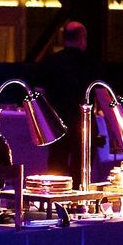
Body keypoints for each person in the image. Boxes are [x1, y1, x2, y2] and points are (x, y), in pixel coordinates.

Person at [33, 20, 102, 183]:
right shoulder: (91, 64)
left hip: (57, 125)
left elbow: (39, 94)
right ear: (82, 38)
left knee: (56, 170)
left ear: (64, 39)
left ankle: (56, 198)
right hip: (83, 124)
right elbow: (101, 93)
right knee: (81, 171)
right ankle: (79, 197)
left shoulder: (50, 62)